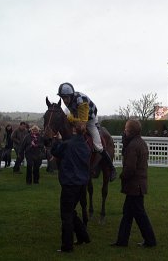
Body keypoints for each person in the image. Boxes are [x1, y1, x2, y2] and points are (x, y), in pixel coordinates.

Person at [110, 119, 156, 247]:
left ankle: (150, 240)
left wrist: (122, 176)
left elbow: (130, 168)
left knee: (139, 214)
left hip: (134, 185)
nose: (124, 131)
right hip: (138, 185)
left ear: (131, 131)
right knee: (128, 214)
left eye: (126, 129)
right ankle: (122, 240)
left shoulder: (132, 146)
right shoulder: (140, 143)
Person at [57, 82, 116, 181]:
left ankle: (111, 168)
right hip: (78, 118)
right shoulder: (69, 101)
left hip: (89, 121)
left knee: (98, 146)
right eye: (63, 98)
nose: (65, 100)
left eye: (66, 97)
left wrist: (69, 119)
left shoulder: (81, 101)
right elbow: (73, 118)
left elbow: (82, 125)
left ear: (71, 95)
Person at [51, 122, 91, 253]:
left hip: (69, 184)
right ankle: (83, 236)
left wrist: (57, 140)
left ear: (73, 130)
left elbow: (55, 152)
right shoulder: (86, 146)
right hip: (81, 185)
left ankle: (67, 246)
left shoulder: (67, 144)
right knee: (71, 212)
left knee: (66, 215)